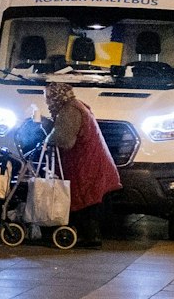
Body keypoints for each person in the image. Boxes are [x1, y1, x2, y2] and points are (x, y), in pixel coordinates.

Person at [45, 82, 120, 248]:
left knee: (84, 200)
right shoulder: (77, 106)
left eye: (49, 97)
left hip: (85, 165)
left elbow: (65, 141)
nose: (47, 102)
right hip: (93, 162)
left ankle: (91, 238)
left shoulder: (69, 111)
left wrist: (47, 139)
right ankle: (88, 236)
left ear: (57, 97)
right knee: (88, 201)